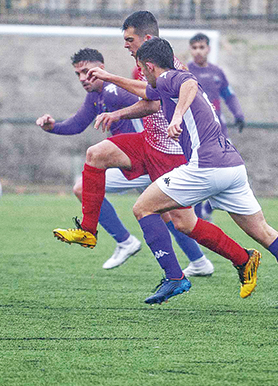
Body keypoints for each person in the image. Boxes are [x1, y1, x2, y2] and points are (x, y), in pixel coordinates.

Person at [104, 36, 278, 316]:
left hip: (205, 166)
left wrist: (176, 118)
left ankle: (175, 278)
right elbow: (147, 93)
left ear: (149, 66)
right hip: (232, 167)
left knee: (143, 207)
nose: (140, 73)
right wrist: (109, 77)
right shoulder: (164, 84)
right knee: (264, 231)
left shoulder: (175, 77)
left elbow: (187, 83)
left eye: (139, 67)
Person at [54, 11, 258, 290]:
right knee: (96, 155)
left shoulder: (168, 66)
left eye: (129, 40)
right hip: (148, 143)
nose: (125, 45)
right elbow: (149, 102)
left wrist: (115, 96)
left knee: (184, 223)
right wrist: (118, 115)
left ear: (146, 38)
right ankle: (89, 231)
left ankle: (240, 258)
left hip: (171, 153)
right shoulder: (141, 66)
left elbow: (158, 103)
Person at [37, 48, 206, 270]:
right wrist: (52, 127)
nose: (82, 78)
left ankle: (125, 241)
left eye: (86, 72)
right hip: (135, 163)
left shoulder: (114, 91)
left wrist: (122, 115)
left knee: (82, 187)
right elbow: (77, 124)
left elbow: (152, 102)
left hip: (145, 161)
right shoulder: (95, 96)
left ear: (100, 69)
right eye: (77, 74)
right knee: (171, 217)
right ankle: (200, 262)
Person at [188, 32, 245, 220]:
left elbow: (229, 94)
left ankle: (208, 209)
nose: (198, 51)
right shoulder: (185, 72)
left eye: (201, 47)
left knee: (229, 169)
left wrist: (238, 113)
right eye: (194, 47)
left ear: (209, 49)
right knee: (197, 173)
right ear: (190, 49)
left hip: (219, 131)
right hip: (195, 132)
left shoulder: (217, 72)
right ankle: (197, 217)